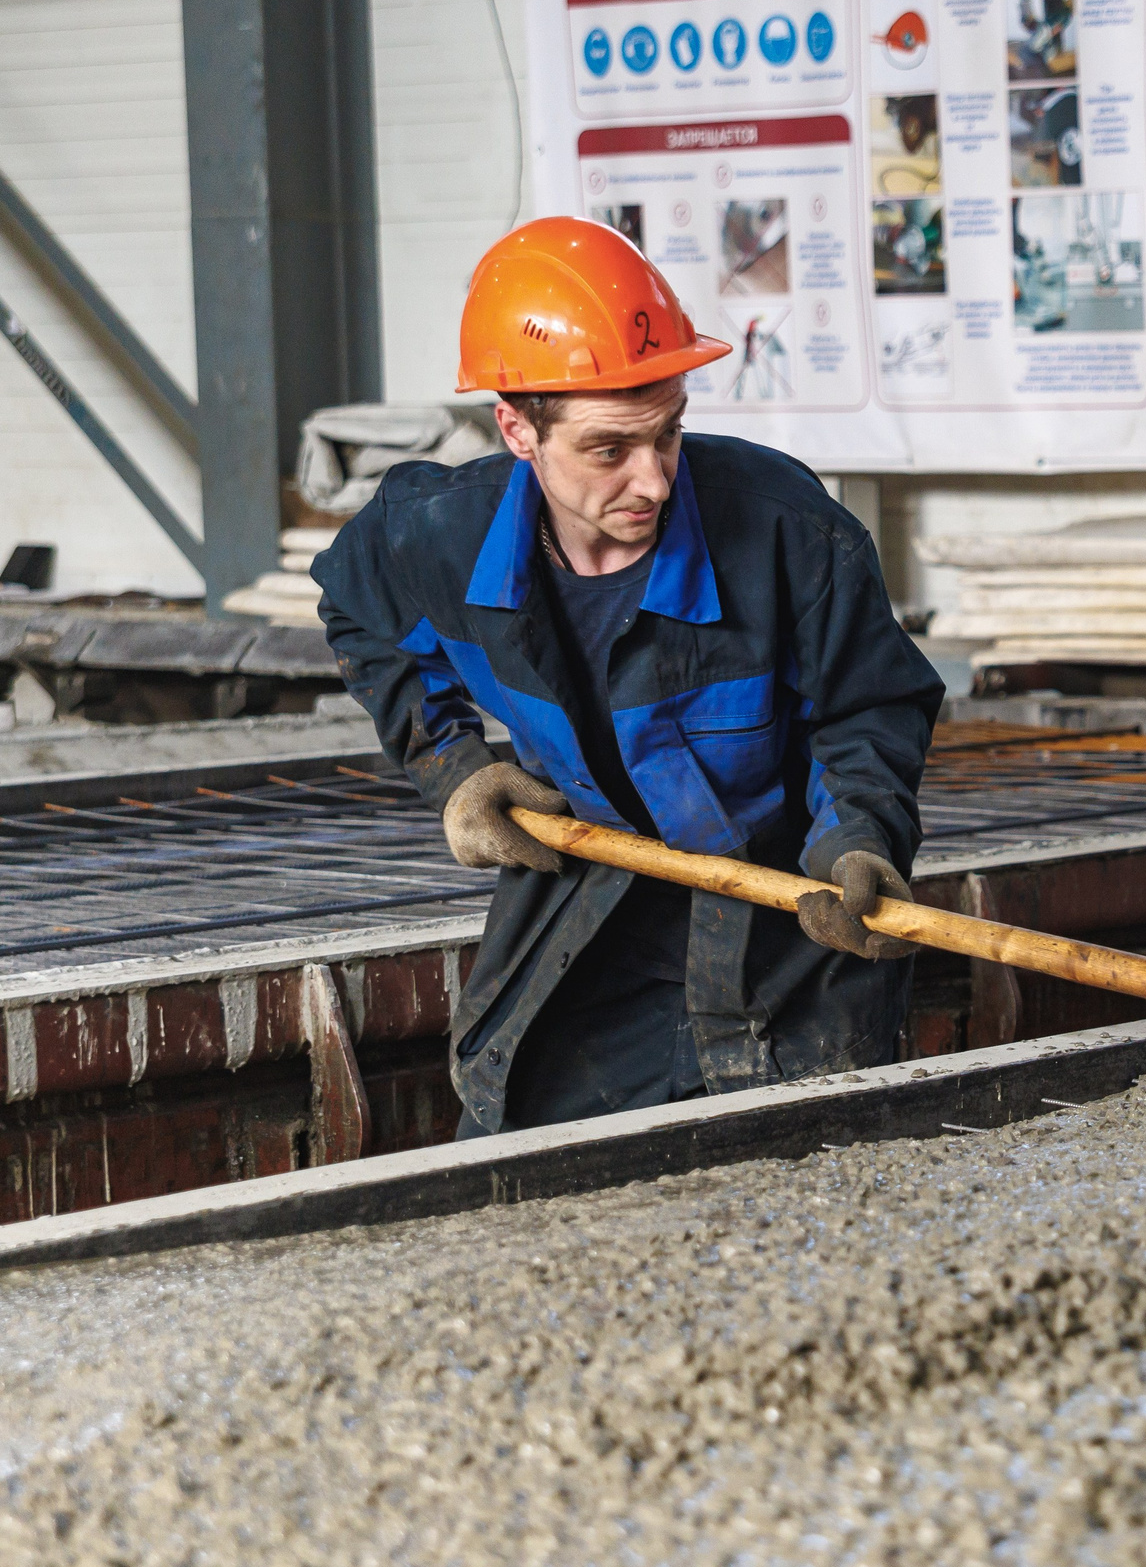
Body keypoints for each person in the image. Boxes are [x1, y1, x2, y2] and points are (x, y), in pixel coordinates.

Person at [315, 217, 943, 1137]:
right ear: (517, 429)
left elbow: (869, 708)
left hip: (786, 925)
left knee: (804, 1170)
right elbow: (358, 613)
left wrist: (859, 837)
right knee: (514, 1162)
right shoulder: (436, 535)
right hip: (587, 906)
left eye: (669, 433)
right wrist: (454, 770)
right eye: (610, 449)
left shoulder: (786, 533)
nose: (652, 480)